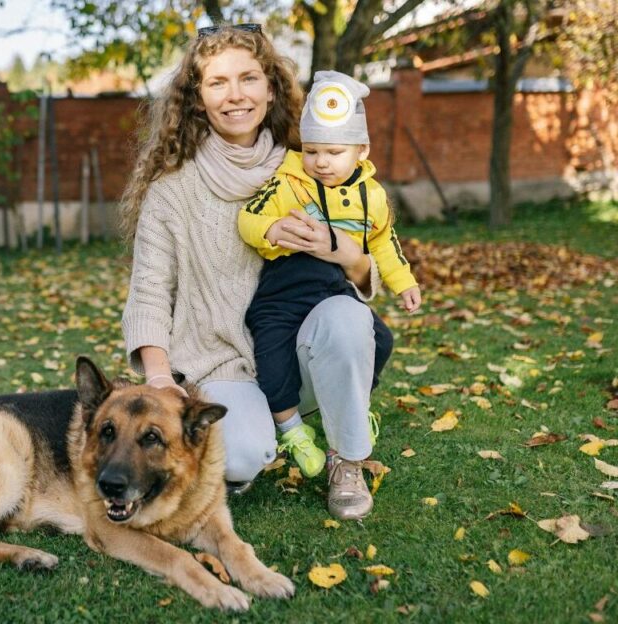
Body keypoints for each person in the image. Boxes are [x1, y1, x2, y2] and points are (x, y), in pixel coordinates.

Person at [120, 24, 392, 521]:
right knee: (245, 454)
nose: (235, 95)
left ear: (271, 88)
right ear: (198, 99)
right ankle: (260, 434)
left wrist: (346, 252)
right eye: (217, 82)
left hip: (296, 349)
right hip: (219, 361)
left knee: (349, 319)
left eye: (248, 78)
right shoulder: (171, 191)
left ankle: (345, 458)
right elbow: (149, 293)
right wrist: (159, 376)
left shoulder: (312, 167)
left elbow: (365, 260)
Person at [237, 71, 420, 483]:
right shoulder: (289, 183)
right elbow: (249, 218)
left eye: (334, 152)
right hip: (284, 290)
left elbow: (384, 243)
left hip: (334, 289)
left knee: (380, 339)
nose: (321, 161)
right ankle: (292, 430)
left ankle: (350, 407)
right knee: (272, 354)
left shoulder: (371, 197)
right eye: (313, 150)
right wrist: (270, 230)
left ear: (361, 150)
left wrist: (403, 282)